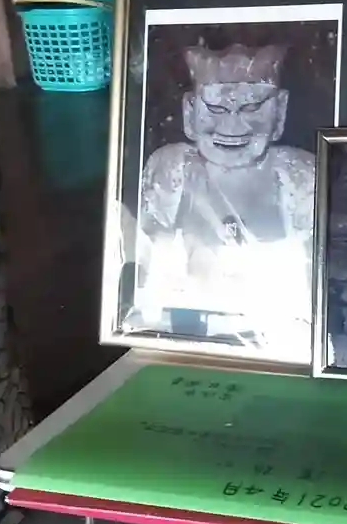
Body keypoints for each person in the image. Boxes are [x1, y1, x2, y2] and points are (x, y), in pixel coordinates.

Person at [130, 43, 315, 354]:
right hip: (188, 326)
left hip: (279, 330)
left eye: (252, 108)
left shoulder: (300, 172)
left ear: (280, 109)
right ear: (190, 110)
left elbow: (309, 275)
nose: (232, 126)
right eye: (215, 109)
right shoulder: (171, 166)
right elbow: (151, 262)